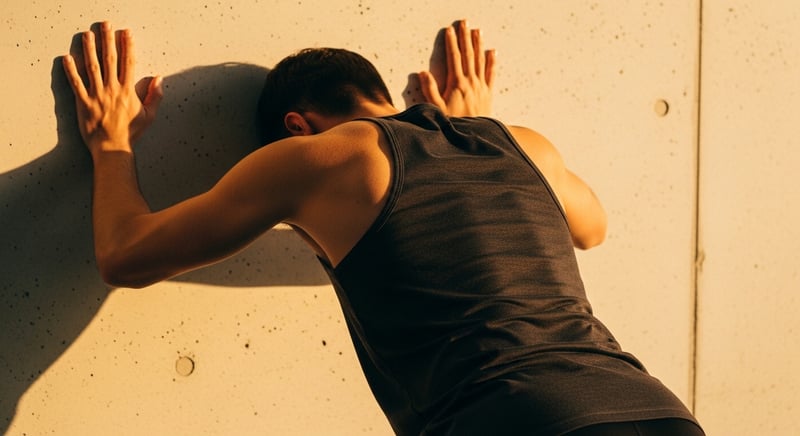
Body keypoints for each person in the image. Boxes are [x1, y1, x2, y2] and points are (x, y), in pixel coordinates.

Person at [62, 20, 703, 436]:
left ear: (297, 127)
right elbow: (593, 227)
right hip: (656, 409)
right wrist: (477, 130)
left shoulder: (324, 157)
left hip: (513, 418)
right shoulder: (523, 145)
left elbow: (124, 254)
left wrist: (111, 142)